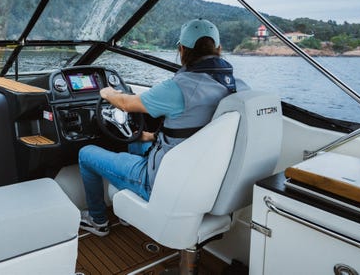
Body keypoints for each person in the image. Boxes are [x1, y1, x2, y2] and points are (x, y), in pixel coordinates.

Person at [78, 18, 246, 236]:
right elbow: (199, 132)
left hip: (162, 182)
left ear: (182, 49)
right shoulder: (238, 88)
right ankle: (127, 215)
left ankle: (97, 220)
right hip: (204, 178)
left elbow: (126, 104)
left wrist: (107, 93)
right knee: (135, 139)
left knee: (86, 154)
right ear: (219, 49)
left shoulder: (178, 87)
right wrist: (152, 137)